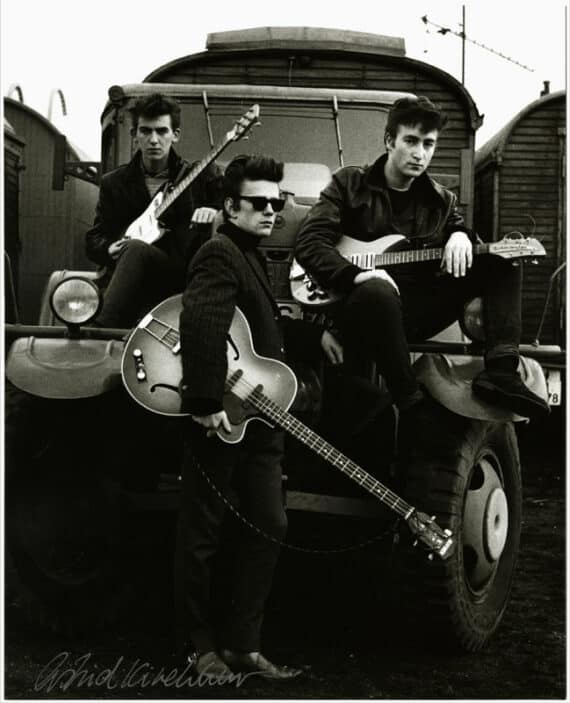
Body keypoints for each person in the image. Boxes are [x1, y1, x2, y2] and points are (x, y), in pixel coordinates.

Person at [175, 154, 342, 681]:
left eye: (278, 201)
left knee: (269, 522)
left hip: (259, 418)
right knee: (203, 531)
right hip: (223, 416)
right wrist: (204, 406)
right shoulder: (219, 252)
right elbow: (202, 322)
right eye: (259, 202)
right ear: (229, 206)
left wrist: (313, 335)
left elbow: (254, 334)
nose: (272, 210)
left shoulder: (251, 255)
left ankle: (244, 645)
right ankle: (199, 647)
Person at [294, 96, 550, 421]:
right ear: (390, 140)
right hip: (357, 309)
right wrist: (357, 275)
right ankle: (409, 399)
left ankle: (500, 373)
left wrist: (462, 236)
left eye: (429, 144)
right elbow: (310, 242)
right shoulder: (349, 184)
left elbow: (459, 230)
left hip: (414, 311)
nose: (420, 153)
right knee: (377, 289)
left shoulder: (442, 202)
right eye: (411, 141)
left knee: (501, 260)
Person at [85, 93, 222, 328]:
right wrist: (109, 248)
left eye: (161, 131)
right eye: (146, 131)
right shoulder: (113, 183)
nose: (154, 140)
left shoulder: (201, 175)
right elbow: (94, 239)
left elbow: (231, 211)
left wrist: (214, 213)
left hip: (180, 278)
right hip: (128, 281)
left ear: (175, 135)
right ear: (135, 135)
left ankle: (100, 329)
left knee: (137, 249)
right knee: (135, 249)